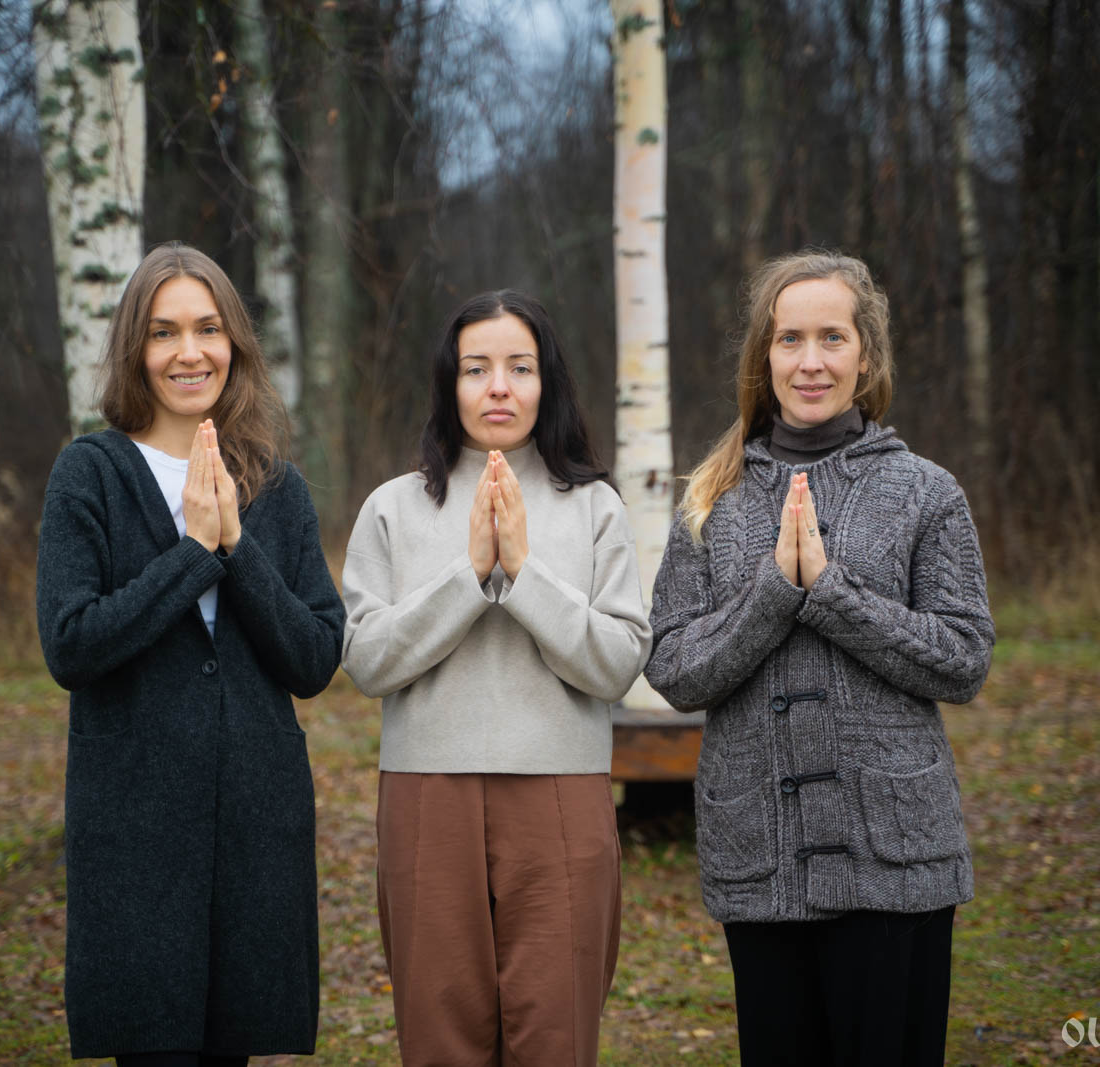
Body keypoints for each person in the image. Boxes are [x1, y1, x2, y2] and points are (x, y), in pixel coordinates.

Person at [644, 249, 995, 1066]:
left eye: (832, 337)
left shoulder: (926, 491)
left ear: (865, 354)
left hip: (895, 859)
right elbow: (673, 667)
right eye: (790, 339)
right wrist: (775, 590)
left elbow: (963, 657)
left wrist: (831, 592)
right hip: (761, 856)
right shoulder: (713, 497)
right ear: (763, 357)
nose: (811, 361)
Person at [36, 242, 345, 1066]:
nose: (189, 352)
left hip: (256, 818)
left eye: (208, 328)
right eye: (164, 331)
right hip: (135, 820)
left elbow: (316, 656)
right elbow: (70, 642)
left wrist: (236, 548)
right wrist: (194, 553)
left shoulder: (277, 485)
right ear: (135, 348)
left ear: (234, 341)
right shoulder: (89, 474)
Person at [340, 289, 652, 1066]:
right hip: (426, 794)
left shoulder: (595, 507)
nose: (499, 387)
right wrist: (471, 573)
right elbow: (367, 660)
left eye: (520, 367)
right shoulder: (393, 507)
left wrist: (524, 572)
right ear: (450, 383)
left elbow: (618, 662)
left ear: (549, 382)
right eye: (476, 368)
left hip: (561, 793)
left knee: (556, 1034)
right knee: (439, 1034)